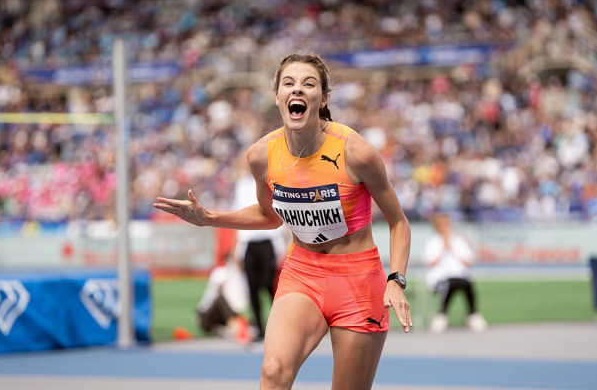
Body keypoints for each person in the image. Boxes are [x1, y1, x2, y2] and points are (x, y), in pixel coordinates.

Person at [154, 52, 412, 390]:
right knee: (273, 372)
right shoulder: (261, 155)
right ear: (277, 97)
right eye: (288, 84)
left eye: (309, 84)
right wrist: (208, 218)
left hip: (358, 281)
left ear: (322, 99)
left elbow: (399, 223)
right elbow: (269, 217)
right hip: (302, 274)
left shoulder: (356, 152)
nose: (298, 90)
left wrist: (396, 280)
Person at [232, 166, 289, 341]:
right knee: (253, 288)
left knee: (269, 284)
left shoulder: (271, 182)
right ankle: (258, 327)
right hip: (249, 241)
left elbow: (281, 211)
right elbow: (237, 214)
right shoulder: (241, 185)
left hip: (268, 239)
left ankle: (281, 325)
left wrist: (282, 245)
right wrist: (238, 249)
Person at [422, 212, 488, 333]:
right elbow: (430, 263)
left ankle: (472, 314)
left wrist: (453, 248)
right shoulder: (433, 242)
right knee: (451, 283)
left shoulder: (458, 241)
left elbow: (468, 261)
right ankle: (441, 315)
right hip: (440, 278)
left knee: (466, 283)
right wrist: (444, 248)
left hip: (460, 277)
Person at [197, 252, 250, 337]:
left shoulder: (243, 277)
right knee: (220, 298)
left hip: (229, 315)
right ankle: (233, 326)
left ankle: (230, 325)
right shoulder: (220, 273)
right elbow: (210, 297)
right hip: (208, 316)